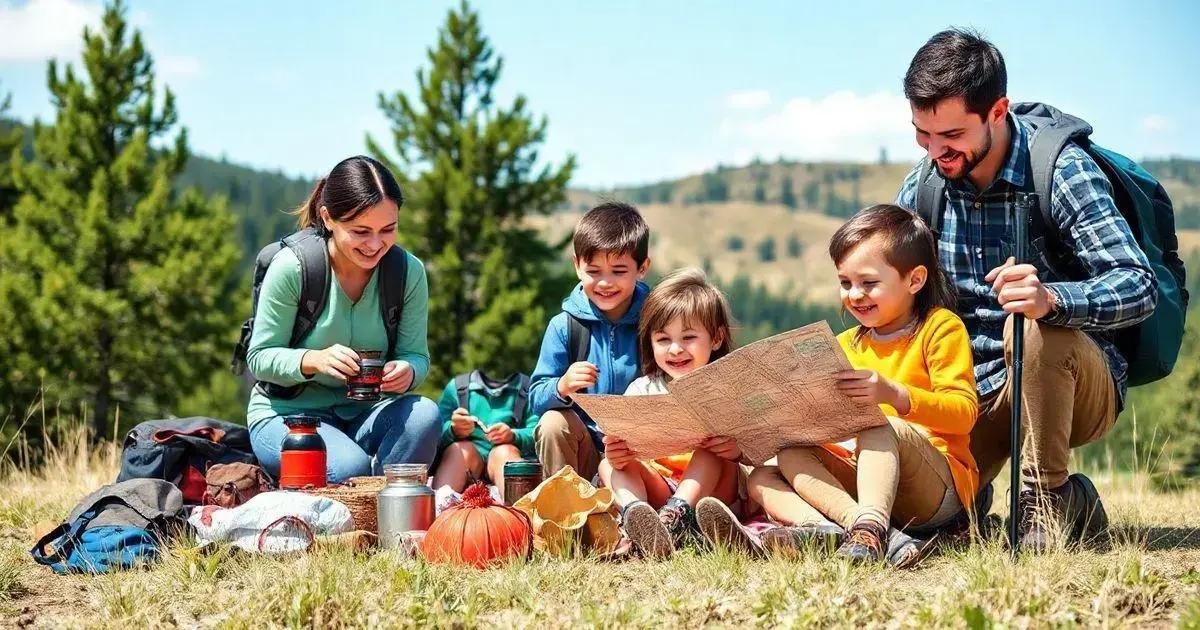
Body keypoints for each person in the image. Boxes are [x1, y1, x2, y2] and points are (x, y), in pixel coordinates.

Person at [895, 29, 1157, 550]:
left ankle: (1047, 501)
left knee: (1034, 326)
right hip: (968, 394)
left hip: (1070, 380)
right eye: (922, 133)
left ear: (997, 111)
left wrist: (1054, 299)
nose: (934, 149)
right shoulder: (921, 187)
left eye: (950, 134)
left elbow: (1139, 284)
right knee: (919, 514)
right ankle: (972, 500)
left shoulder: (1062, 171)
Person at [749, 204, 978, 565]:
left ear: (914, 280)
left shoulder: (940, 328)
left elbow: (964, 414)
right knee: (769, 470)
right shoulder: (844, 346)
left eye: (869, 283)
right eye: (845, 283)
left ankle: (868, 529)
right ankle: (835, 528)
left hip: (935, 490)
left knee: (877, 424)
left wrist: (896, 396)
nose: (854, 295)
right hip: (866, 483)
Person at [245, 155, 441, 482]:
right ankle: (367, 512)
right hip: (290, 418)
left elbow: (416, 355)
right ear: (328, 218)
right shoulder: (293, 268)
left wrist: (408, 372)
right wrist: (313, 360)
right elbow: (260, 357)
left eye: (388, 229)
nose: (376, 244)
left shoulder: (409, 273)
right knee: (350, 467)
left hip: (365, 413)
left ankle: (386, 510)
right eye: (360, 231)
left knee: (424, 414)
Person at [598, 268, 745, 558]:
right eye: (663, 340)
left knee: (709, 450)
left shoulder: (728, 386)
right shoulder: (643, 388)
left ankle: (676, 518)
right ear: (649, 342)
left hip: (712, 493)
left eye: (688, 337)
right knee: (607, 466)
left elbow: (756, 450)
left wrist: (735, 449)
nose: (675, 349)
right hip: (660, 491)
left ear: (716, 338)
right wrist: (617, 454)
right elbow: (624, 451)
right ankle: (636, 518)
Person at [529, 202, 651, 482]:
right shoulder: (564, 326)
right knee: (552, 423)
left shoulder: (658, 322)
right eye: (594, 271)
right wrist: (562, 386)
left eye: (619, 271)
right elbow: (536, 398)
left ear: (642, 268)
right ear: (577, 266)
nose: (605, 283)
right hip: (584, 453)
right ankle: (566, 514)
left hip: (640, 454)